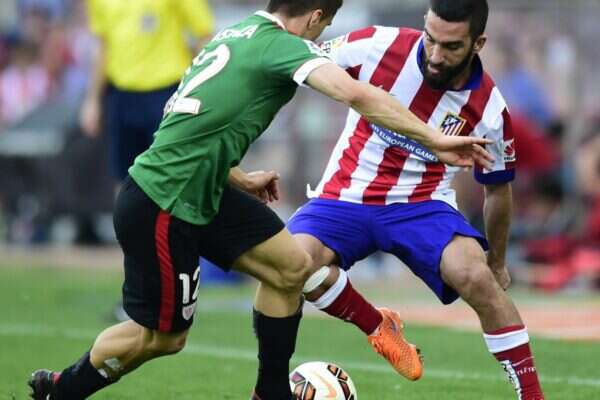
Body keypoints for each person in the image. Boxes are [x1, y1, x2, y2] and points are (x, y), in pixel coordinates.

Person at [28, 1, 494, 399]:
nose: (320, 36)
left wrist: (239, 176)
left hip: (202, 188)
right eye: (325, 25)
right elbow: (357, 95)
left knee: (291, 266)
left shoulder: (236, 34)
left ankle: (272, 392)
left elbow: (189, 123)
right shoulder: (283, 46)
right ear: (314, 17)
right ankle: (64, 388)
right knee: (163, 338)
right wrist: (435, 139)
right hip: (162, 203)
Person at [288, 1, 546, 399]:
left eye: (451, 46)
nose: (436, 56)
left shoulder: (490, 110)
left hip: (422, 204)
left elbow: (497, 189)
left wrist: (497, 262)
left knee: (477, 278)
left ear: (478, 43)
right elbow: (298, 60)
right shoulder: (375, 45)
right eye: (431, 39)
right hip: (344, 195)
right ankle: (377, 326)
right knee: (288, 265)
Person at [81, 0, 214, 183]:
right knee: (124, 177)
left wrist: (202, 89)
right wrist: (92, 100)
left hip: (167, 93)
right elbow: (103, 45)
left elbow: (204, 35)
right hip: (121, 95)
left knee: (170, 176)